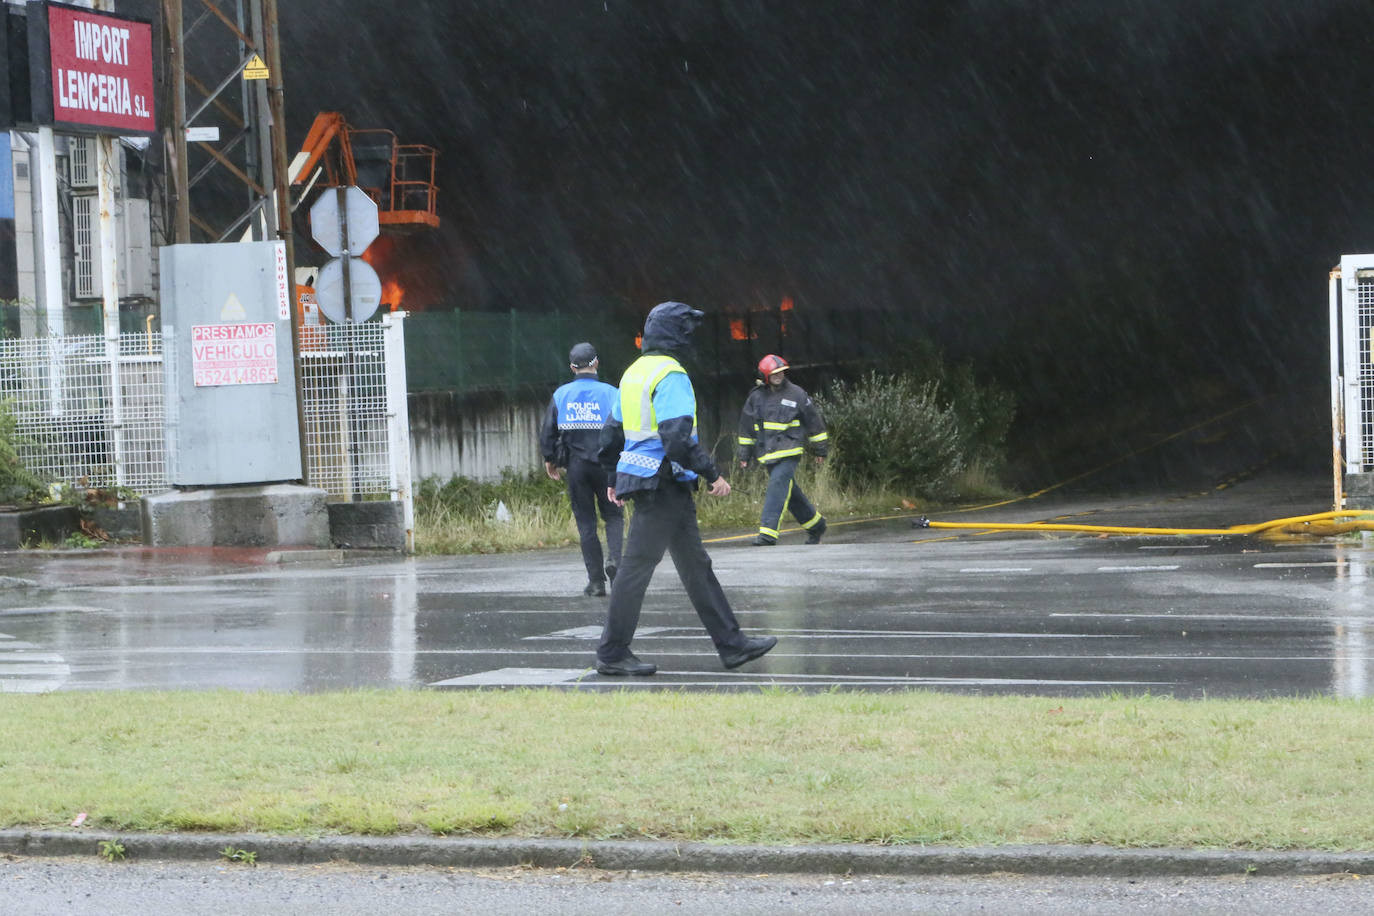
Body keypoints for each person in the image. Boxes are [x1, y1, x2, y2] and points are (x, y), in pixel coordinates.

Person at [594, 301, 777, 676]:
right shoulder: (672, 374)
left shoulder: (633, 373)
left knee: (695, 566)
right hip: (663, 481)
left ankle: (732, 645)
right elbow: (676, 438)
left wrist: (615, 477)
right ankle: (612, 652)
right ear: (677, 336)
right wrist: (713, 474)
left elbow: (610, 435)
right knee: (637, 568)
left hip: (652, 482)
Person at [539, 342, 624, 596]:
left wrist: (549, 458)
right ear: (596, 363)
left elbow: (548, 431)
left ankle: (596, 582)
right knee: (614, 516)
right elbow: (623, 428)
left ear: (572, 367)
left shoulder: (561, 395)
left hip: (577, 467)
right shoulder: (611, 393)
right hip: (608, 466)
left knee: (586, 523)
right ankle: (615, 563)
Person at [736, 354, 829, 545]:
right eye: (774, 373)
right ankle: (816, 525)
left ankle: (768, 533)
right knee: (791, 492)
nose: (779, 376)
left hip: (790, 450)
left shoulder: (797, 394)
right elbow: (746, 427)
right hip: (767, 453)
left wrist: (820, 449)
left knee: (777, 486)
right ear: (765, 376)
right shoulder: (755, 397)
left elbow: (814, 422)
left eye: (781, 373)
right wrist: (744, 454)